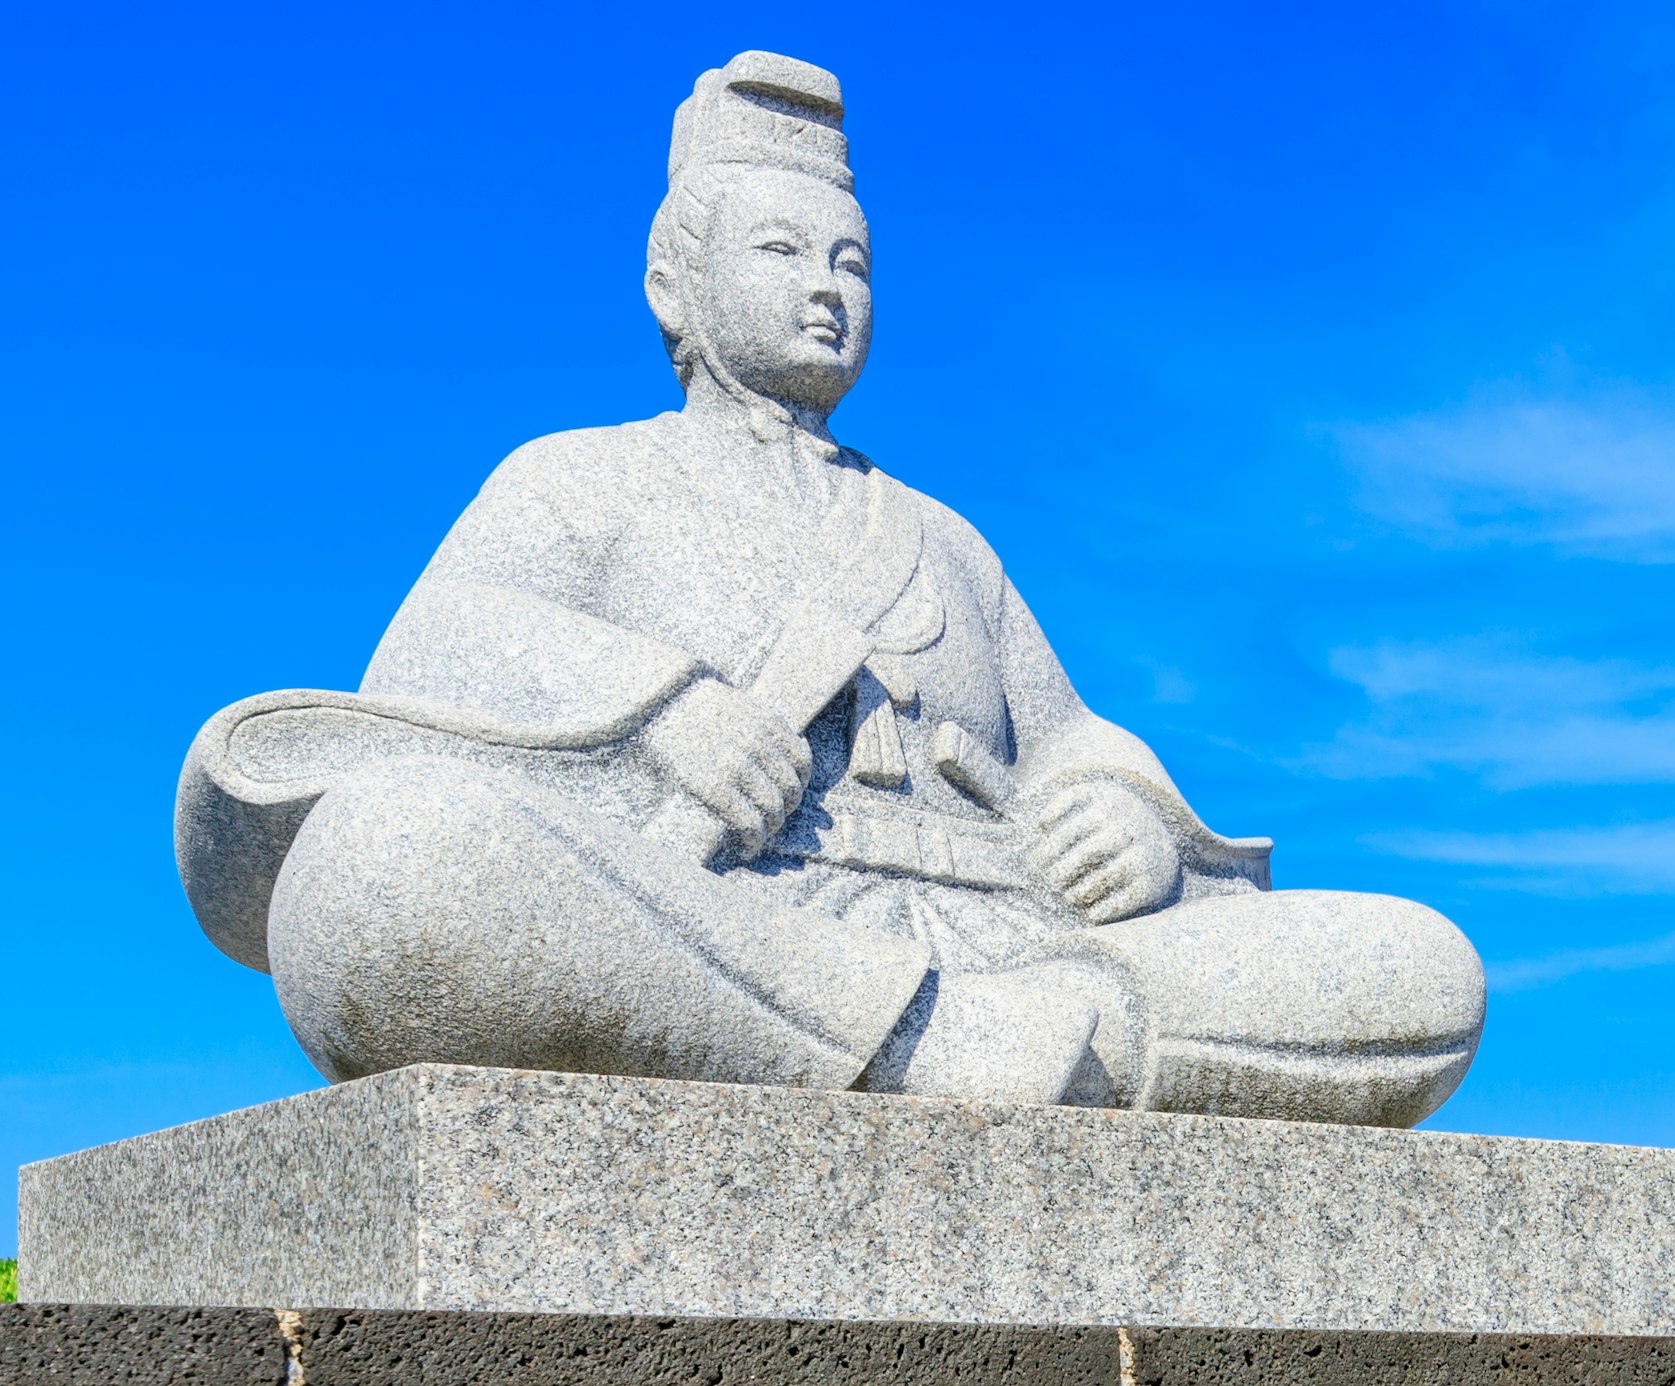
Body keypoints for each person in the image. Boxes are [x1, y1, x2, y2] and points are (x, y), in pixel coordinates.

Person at [176, 52, 1485, 1125]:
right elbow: (427, 656)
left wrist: (1124, 816)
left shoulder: (939, 537)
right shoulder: (580, 481)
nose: (826, 290)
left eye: (852, 264)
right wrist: (665, 707)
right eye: (784, 255)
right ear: (673, 287)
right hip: (729, 930)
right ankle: (935, 1047)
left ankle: (991, 1040)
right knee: (392, 873)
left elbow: (1068, 735)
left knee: (1423, 971)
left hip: (1028, 950)